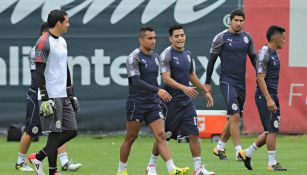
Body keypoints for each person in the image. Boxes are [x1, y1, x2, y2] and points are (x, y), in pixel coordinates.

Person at [116, 27, 189, 175]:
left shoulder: (156, 57)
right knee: (131, 138)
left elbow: (163, 76)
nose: (153, 41)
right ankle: (121, 170)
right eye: (150, 38)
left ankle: (171, 168)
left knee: (161, 135)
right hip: (137, 103)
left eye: (155, 38)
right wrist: (158, 90)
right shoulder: (134, 57)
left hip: (153, 103)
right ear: (141, 40)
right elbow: (136, 81)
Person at [145, 25, 215, 175]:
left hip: (187, 102)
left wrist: (205, 91)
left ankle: (198, 169)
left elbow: (191, 75)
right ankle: (151, 165)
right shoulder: (166, 54)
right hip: (169, 102)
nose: (180, 38)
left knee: (194, 134)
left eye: (182, 35)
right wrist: (184, 88)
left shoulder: (188, 54)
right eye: (176, 36)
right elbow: (165, 78)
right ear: (171, 38)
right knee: (163, 135)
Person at [15, 22, 81, 173]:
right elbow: (38, 74)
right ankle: (21, 161)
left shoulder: (60, 43)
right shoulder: (38, 48)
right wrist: (44, 96)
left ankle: (54, 159)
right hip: (39, 93)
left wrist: (69, 92)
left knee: (63, 130)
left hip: (59, 93)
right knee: (33, 129)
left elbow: (64, 69)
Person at [205, 9, 257, 160]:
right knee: (234, 115)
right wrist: (207, 83)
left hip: (241, 83)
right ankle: (239, 151)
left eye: (241, 21)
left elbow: (254, 58)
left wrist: (261, 76)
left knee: (234, 118)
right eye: (236, 20)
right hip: (227, 81)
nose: (239, 23)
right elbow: (211, 61)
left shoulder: (247, 38)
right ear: (230, 20)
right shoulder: (221, 37)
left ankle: (219, 147)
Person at [238, 25, 287, 171]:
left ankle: (246, 153)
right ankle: (272, 163)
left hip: (273, 95)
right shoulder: (264, 53)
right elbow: (260, 79)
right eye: (283, 38)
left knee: (270, 130)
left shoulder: (275, 53)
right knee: (271, 130)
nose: (285, 41)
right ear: (277, 38)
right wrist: (268, 99)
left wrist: (272, 97)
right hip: (265, 96)